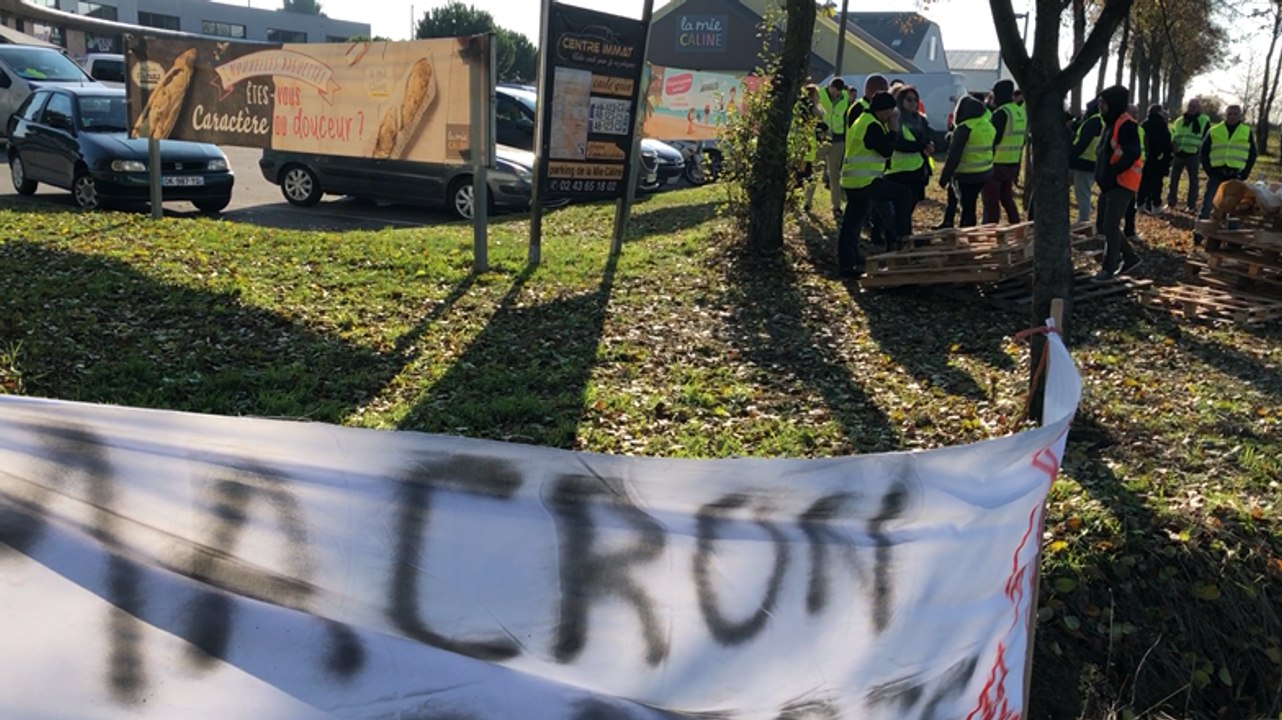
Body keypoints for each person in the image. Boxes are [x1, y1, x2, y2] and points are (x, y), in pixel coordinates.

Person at [836, 91, 913, 277]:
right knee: (903, 194)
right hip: (865, 181)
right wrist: (894, 129)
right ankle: (903, 236)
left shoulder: (863, 121)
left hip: (852, 180)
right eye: (891, 112)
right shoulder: (871, 125)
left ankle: (848, 262)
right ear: (885, 111)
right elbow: (886, 150)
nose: (892, 116)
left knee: (852, 223)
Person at [1092, 85, 1143, 281]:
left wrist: (1112, 172)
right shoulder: (1111, 123)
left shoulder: (1126, 124)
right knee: (1103, 225)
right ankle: (1130, 257)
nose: (1100, 107)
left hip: (1122, 183)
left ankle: (1108, 268)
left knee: (1110, 225)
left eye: (1102, 103)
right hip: (1110, 183)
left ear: (1111, 104)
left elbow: (1132, 152)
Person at [1194, 103, 1257, 245]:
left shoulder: (1246, 131)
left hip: (1235, 175)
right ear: (1225, 115)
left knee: (1234, 208)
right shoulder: (1214, 130)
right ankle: (1199, 235)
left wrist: (1246, 172)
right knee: (1209, 203)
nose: (1232, 116)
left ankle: (1232, 240)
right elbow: (1203, 152)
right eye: (1229, 113)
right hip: (1217, 173)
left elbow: (1253, 154)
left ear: (1240, 115)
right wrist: (1209, 170)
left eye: (1235, 114)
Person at [937, 93, 995, 229]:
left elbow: (954, 156)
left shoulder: (964, 128)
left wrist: (943, 178)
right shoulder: (987, 125)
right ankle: (955, 224)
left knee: (967, 209)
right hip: (984, 172)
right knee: (970, 205)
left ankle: (967, 234)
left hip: (966, 174)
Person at [885, 84, 933, 232]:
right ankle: (897, 238)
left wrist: (930, 145)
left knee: (910, 206)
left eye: (915, 100)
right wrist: (921, 147)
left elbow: (927, 137)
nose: (913, 103)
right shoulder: (895, 118)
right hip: (898, 172)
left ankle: (901, 235)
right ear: (901, 101)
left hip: (917, 171)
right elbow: (898, 143)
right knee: (899, 210)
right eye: (909, 100)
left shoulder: (921, 119)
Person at [983, 79, 1026, 224]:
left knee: (991, 200)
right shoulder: (1019, 112)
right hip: (1012, 161)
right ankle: (1016, 225)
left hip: (996, 162)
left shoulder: (1001, 113)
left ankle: (991, 231)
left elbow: (992, 139)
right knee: (1007, 197)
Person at [816, 78, 851, 220]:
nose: (835, 93)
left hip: (838, 139)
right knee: (814, 169)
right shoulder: (820, 94)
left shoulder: (845, 96)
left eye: (837, 91)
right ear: (830, 87)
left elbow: (846, 116)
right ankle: (806, 204)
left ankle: (836, 206)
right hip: (822, 137)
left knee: (834, 173)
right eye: (833, 90)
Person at [1168, 98, 1210, 213]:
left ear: (1199, 108)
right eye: (1191, 106)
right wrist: (1173, 147)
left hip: (1193, 154)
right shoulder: (1179, 121)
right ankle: (1171, 202)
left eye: (1195, 106)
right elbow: (1174, 135)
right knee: (1174, 179)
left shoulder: (1203, 121)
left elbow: (1206, 138)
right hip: (1179, 153)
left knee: (1193, 181)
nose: (1192, 109)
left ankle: (1191, 205)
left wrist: (1200, 151)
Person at [1069, 99, 1104, 225]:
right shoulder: (1101, 120)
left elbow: (1082, 142)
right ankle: (1083, 219)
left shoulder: (1093, 121)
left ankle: (1084, 221)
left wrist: (1071, 154)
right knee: (1083, 192)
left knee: (1082, 193)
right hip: (1091, 161)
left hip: (1081, 162)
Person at [1138, 103, 1173, 214]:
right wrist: (1168, 157)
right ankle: (1155, 206)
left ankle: (1140, 204)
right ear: (1158, 112)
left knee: (1143, 182)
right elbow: (1167, 144)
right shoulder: (1162, 125)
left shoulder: (1143, 124)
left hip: (1145, 158)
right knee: (1157, 183)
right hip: (1159, 159)